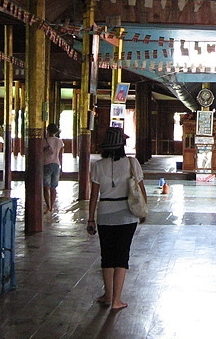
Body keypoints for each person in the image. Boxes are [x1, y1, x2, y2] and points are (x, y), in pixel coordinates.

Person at [87, 127, 147, 311]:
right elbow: (141, 189)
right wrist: (143, 210)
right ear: (122, 145)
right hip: (127, 215)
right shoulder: (131, 163)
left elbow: (94, 196)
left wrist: (90, 219)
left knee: (107, 255)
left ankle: (108, 295)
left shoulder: (97, 166)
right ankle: (117, 300)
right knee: (122, 255)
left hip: (105, 215)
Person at [43, 123, 65, 213]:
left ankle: (48, 206)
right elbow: (60, 155)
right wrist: (61, 167)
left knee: (46, 187)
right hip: (56, 165)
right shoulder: (60, 141)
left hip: (46, 164)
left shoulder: (45, 140)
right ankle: (52, 206)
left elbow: (41, 153)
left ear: (48, 130)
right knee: (53, 188)